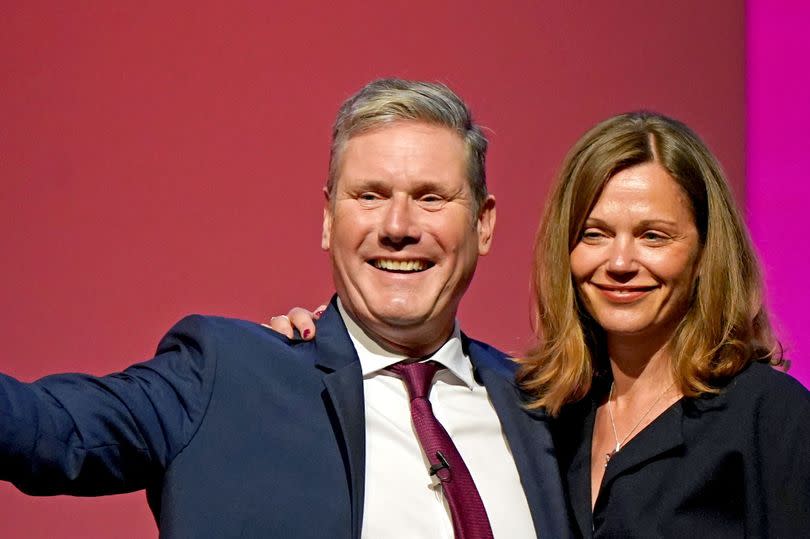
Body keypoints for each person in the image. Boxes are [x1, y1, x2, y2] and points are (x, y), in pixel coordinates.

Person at [0, 79, 572, 538]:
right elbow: (49, 430)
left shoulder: (546, 411)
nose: (398, 227)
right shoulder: (224, 378)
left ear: (484, 223)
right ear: (328, 219)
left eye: (430, 198)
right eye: (369, 196)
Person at [272, 111, 810, 538]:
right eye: (594, 234)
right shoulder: (548, 415)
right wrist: (323, 340)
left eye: (653, 235)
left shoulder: (769, 416)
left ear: (704, 254)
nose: (620, 262)